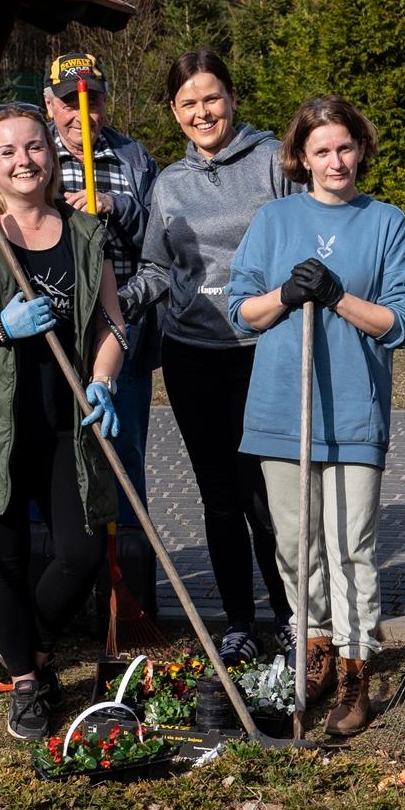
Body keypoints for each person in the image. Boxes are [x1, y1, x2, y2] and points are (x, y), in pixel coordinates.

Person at [0, 104, 128, 741]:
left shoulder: (86, 234)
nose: (23, 160)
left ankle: (28, 645)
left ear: (51, 152)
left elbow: (112, 323)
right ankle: (29, 682)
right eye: (7, 151)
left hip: (68, 418)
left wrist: (104, 378)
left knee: (81, 551)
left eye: (33, 147)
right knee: (6, 557)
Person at [226, 96, 405, 738]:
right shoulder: (274, 219)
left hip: (352, 414)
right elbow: (240, 311)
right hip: (283, 408)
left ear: (360, 149)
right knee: (295, 548)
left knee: (351, 549)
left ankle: (353, 676)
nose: (335, 160)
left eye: (345, 147)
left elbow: (403, 322)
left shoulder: (387, 222)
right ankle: (309, 659)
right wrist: (286, 294)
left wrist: (339, 298)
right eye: (322, 150)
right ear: (301, 158)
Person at [123, 51, 295, 666]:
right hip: (193, 356)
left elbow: (306, 239)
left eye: (211, 98)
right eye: (189, 103)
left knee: (267, 495)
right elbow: (157, 269)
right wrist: (116, 302)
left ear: (232, 97)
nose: (203, 112)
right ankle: (240, 620)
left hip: (262, 351)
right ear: (174, 113)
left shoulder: (277, 162)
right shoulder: (168, 184)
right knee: (218, 496)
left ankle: (292, 616)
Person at [43, 55, 161, 612]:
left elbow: (160, 245)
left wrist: (116, 207)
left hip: (123, 333)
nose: (81, 114)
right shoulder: (32, 154)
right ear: (50, 104)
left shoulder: (133, 157)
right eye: (70, 101)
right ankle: (58, 595)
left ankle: (127, 600)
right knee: (54, 458)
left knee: (124, 458)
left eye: (92, 100)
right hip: (52, 337)